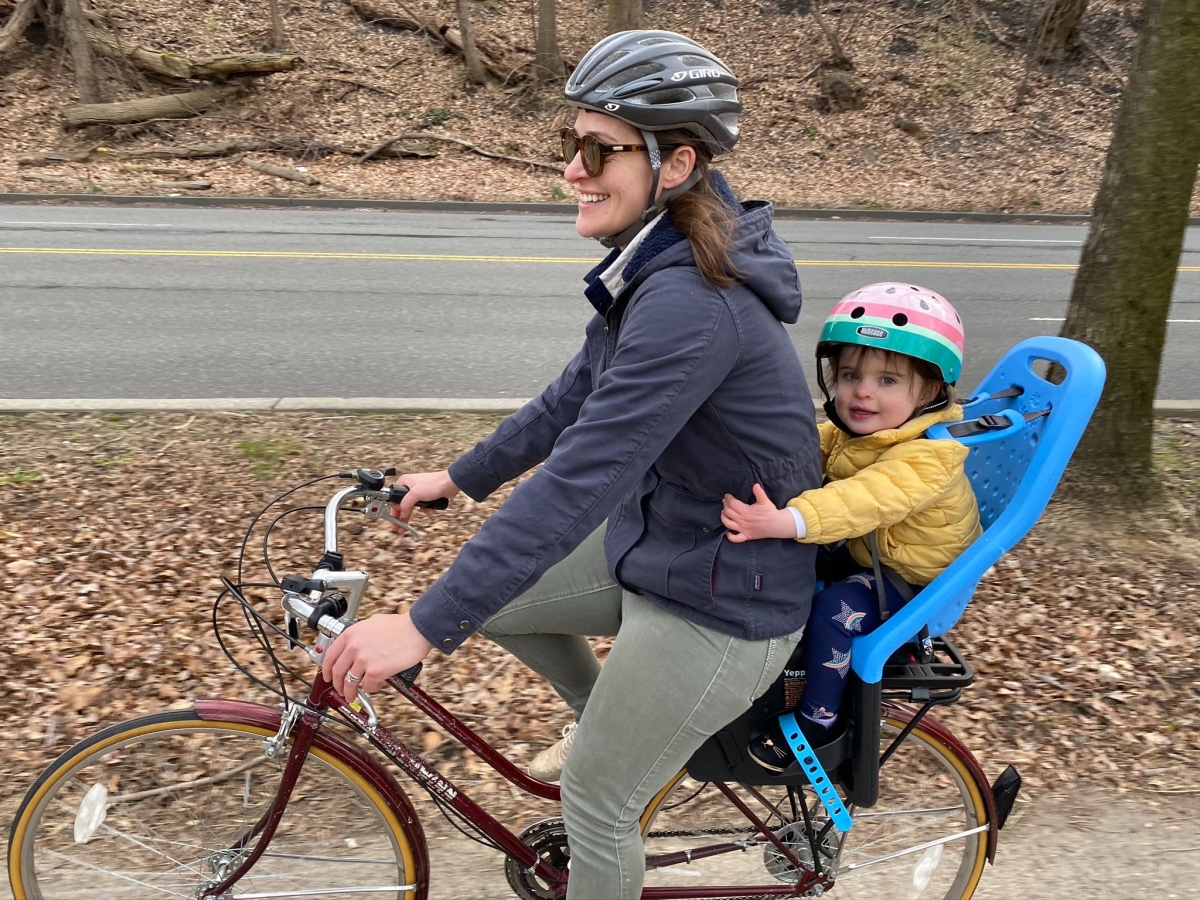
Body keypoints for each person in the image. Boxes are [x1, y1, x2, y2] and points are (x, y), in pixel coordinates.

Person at [321, 29, 824, 899]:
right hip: (668, 543)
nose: (573, 170)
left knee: (594, 800)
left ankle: (618, 771)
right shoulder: (662, 261)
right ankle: (621, 727)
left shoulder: (693, 302)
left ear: (675, 164)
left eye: (599, 149)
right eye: (571, 145)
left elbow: (583, 473)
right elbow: (573, 397)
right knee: (505, 606)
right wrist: (457, 477)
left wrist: (423, 626)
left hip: (727, 599)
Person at [719, 282, 983, 772]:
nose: (861, 390)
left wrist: (785, 520)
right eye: (849, 374)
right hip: (872, 554)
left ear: (929, 392)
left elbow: (860, 500)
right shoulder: (864, 431)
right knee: (787, 566)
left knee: (832, 610)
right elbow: (802, 443)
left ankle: (818, 720)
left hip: (913, 581)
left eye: (887, 380)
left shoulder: (929, 455)